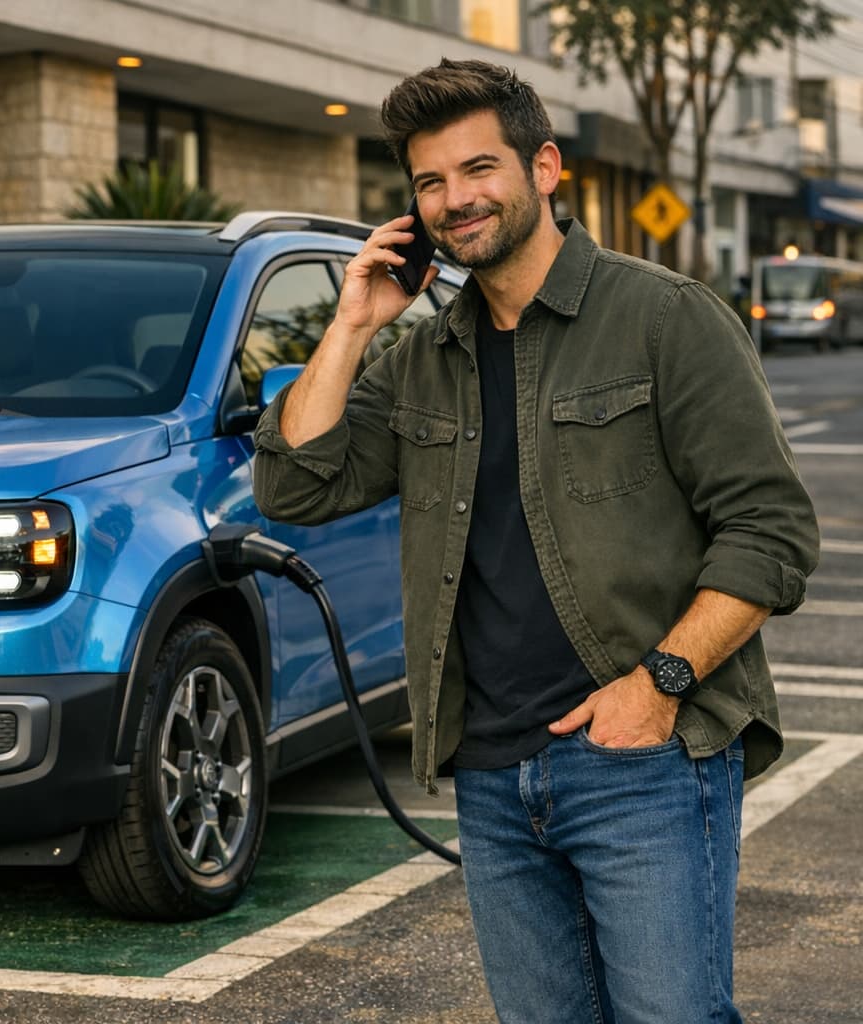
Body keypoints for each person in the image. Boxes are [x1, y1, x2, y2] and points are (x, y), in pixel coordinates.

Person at [252, 59, 818, 1023]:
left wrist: (658, 687)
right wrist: (351, 325)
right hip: (490, 772)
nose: (454, 200)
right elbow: (295, 483)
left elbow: (771, 531)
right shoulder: (422, 357)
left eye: (479, 168)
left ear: (544, 167)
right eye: (430, 182)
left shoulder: (665, 318)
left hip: (644, 760)